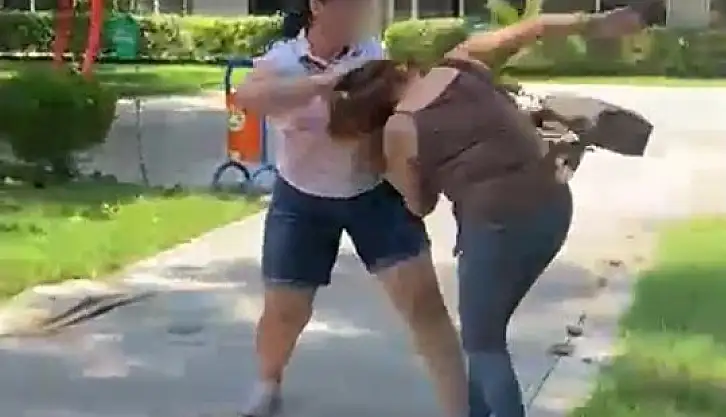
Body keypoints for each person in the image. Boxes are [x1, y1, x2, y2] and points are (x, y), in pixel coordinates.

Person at [326, 7, 650, 417]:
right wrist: (597, 22)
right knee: (483, 334)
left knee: (483, 342)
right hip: (553, 206)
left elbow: (420, 205)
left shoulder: (400, 128)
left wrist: (387, 166)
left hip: (496, 227)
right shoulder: (462, 61)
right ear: (398, 71)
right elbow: (535, 27)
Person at [234, 1, 467, 416]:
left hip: (374, 194)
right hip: (302, 198)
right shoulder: (282, 60)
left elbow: (413, 103)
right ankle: (268, 381)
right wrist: (325, 83)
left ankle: (462, 408)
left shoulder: (374, 54)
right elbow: (248, 97)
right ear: (317, 6)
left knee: (423, 304)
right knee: (286, 311)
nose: (358, 11)